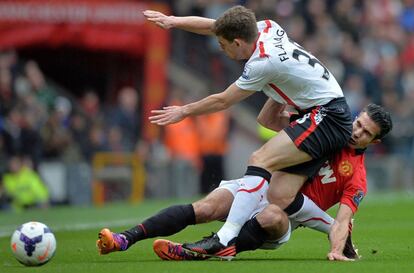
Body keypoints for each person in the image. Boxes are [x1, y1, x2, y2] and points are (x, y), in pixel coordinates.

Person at [144, 5, 353, 255]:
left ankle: (225, 237)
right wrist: (173, 21)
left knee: (259, 160)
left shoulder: (261, 64)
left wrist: (184, 111)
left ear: (239, 42)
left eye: (224, 45)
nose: (221, 49)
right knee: (280, 194)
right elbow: (213, 26)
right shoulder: (267, 27)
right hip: (318, 109)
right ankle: (338, 229)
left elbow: (223, 101)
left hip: (327, 115)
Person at [96, 104, 392, 261]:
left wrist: (337, 249)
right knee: (206, 207)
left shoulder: (357, 176)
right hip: (259, 185)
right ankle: (123, 239)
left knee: (272, 214)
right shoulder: (325, 130)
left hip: (285, 218)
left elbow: (343, 220)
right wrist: (281, 85)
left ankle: (208, 249)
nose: (356, 132)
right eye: (357, 123)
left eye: (366, 132)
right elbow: (267, 119)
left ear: (375, 141)